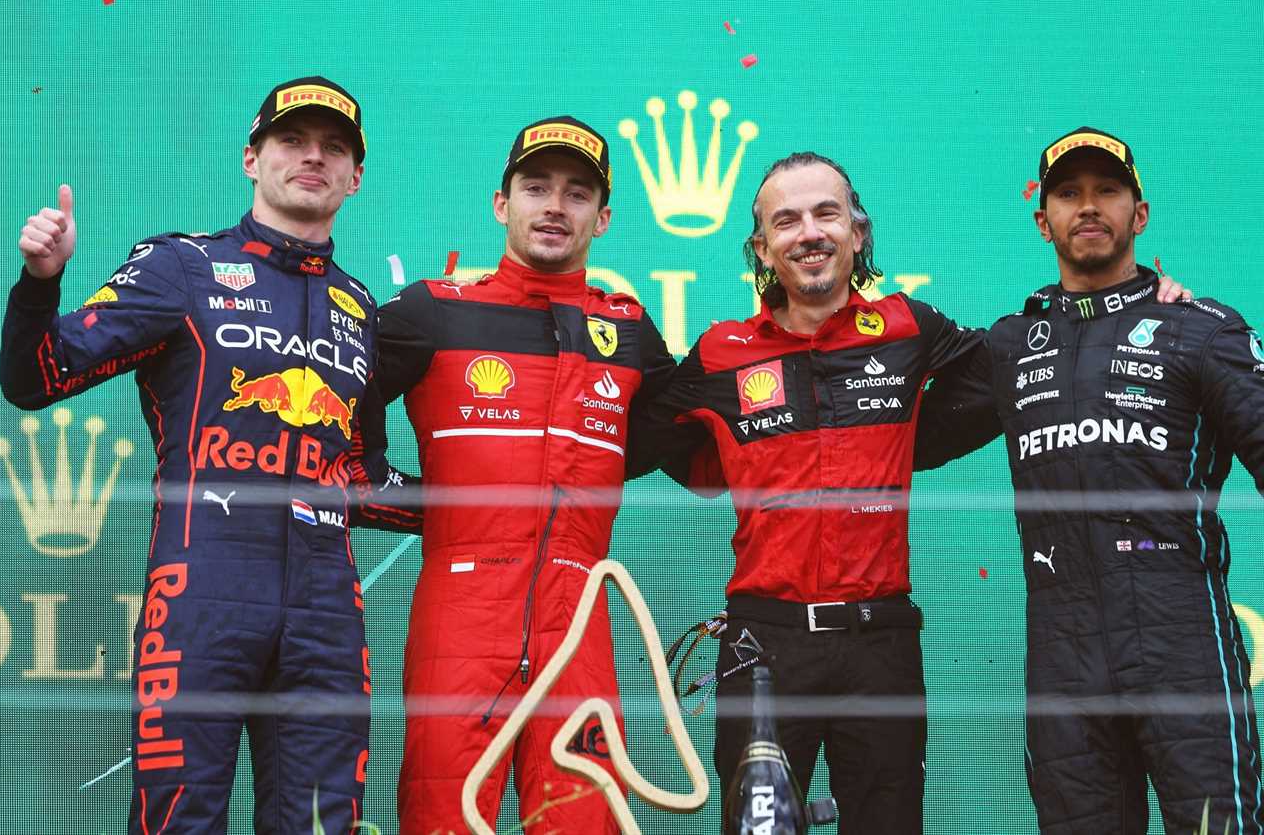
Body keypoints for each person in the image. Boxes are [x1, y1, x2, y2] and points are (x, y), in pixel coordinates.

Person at [0, 76, 421, 833]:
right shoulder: (182, 268)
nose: (313, 158)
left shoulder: (360, 310)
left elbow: (357, 477)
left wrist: (480, 506)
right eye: (293, 141)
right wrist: (42, 283)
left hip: (327, 615)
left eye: (334, 149)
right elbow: (35, 376)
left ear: (357, 178)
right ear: (251, 158)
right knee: (179, 821)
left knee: (324, 824)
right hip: (201, 600)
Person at [915, 127, 1264, 834]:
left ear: (1140, 214)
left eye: (1108, 190)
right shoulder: (1012, 346)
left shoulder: (1200, 329)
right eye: (1069, 193)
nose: (1089, 206)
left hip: (1183, 647)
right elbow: (898, 442)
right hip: (1064, 657)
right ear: (1044, 221)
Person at [632, 151, 987, 834]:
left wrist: (1149, 295)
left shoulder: (911, 327)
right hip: (762, 647)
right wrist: (721, 469)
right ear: (762, 248)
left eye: (826, 212)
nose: (810, 232)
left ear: (858, 231)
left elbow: (1009, 370)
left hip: (879, 642)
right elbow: (640, 435)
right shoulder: (720, 352)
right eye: (786, 221)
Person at [372, 116, 678, 833]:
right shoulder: (433, 310)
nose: (553, 206)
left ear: (602, 219)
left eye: (576, 194)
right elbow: (328, 405)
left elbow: (694, 440)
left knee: (587, 820)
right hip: (462, 606)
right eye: (535, 187)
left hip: (579, 611)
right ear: (500, 203)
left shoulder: (630, 331)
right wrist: (416, 503)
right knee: (441, 815)